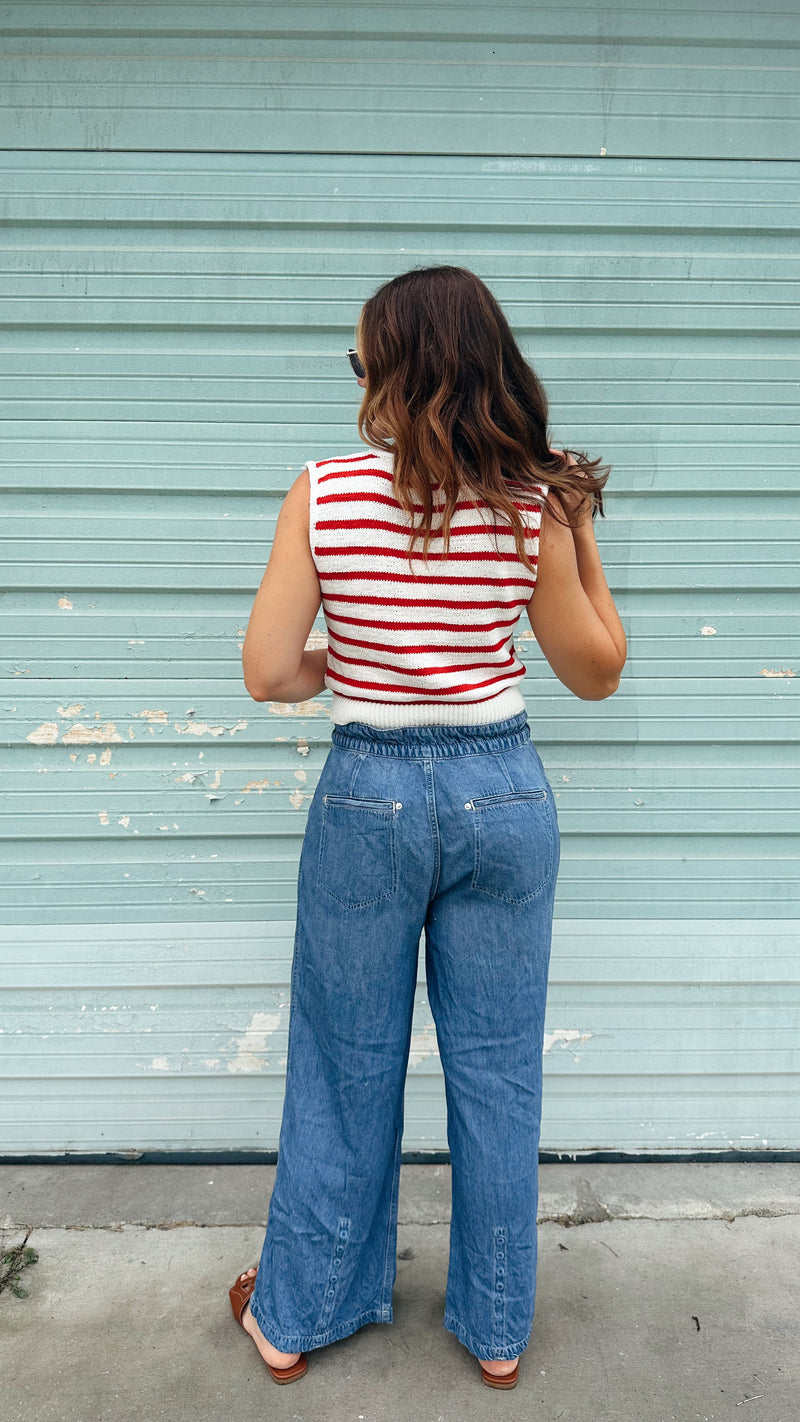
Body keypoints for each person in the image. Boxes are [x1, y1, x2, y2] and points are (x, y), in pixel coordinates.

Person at [229, 266, 627, 1389]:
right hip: (504, 793)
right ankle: (498, 1334)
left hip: (370, 796)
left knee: (343, 1064)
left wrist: (343, 662)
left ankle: (295, 1315)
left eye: (361, 362)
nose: (356, 383)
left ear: (394, 370)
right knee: (497, 1073)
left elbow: (267, 674)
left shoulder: (325, 491)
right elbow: (596, 672)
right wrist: (579, 536)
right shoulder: (527, 502)